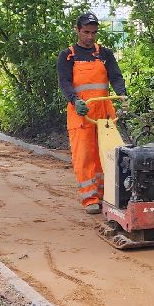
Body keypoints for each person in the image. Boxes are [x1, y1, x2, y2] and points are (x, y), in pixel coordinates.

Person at [57, 12, 127, 214]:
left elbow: (116, 76)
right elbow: (64, 82)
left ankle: (109, 195)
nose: (90, 37)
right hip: (81, 113)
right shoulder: (68, 55)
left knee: (109, 154)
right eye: (86, 32)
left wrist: (122, 95)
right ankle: (90, 198)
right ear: (77, 30)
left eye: (93, 33)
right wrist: (75, 100)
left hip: (104, 112)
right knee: (85, 156)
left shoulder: (104, 54)